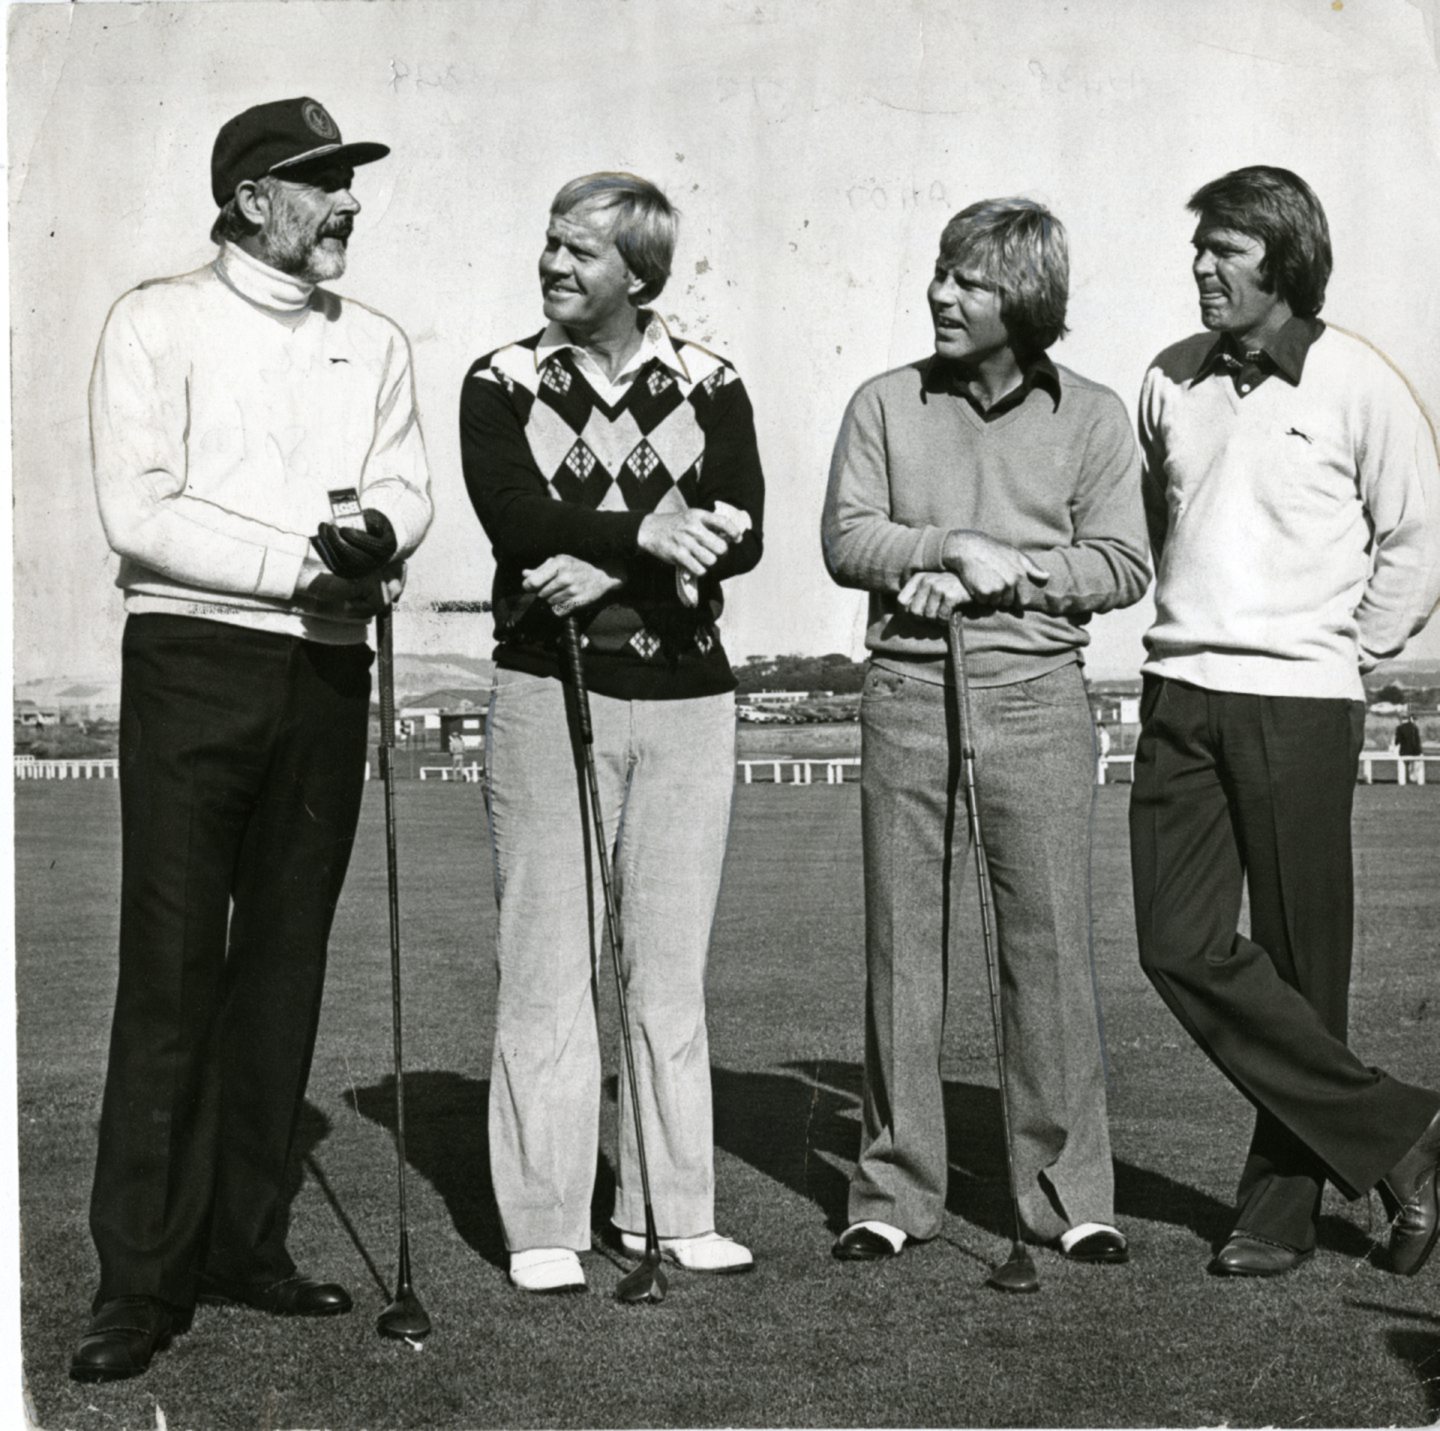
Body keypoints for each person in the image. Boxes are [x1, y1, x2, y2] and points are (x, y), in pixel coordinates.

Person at [72, 97, 433, 1382]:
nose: (345, 203)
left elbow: (405, 485)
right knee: (170, 975)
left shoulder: (374, 339)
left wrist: (378, 538)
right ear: (249, 200)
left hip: (327, 678)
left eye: (347, 181)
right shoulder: (153, 318)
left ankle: (240, 1244)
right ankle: (140, 1279)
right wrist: (300, 568)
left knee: (281, 971)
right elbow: (140, 512)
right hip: (192, 662)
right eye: (319, 182)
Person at [821, 199, 1150, 1267]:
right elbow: (848, 535)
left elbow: (1124, 565)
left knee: (1048, 951)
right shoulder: (883, 400)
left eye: (969, 281)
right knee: (901, 952)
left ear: (1027, 299)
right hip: (908, 697)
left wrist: (1020, 570)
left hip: (1039, 701)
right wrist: (944, 544)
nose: (941, 295)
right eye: (939, 274)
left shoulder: (1094, 416)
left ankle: (1067, 1195)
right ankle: (892, 1192)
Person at [1132, 165, 1440, 1279]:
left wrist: (1350, 649)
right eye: (1200, 245)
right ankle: (1404, 1134)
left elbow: (1417, 537)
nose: (1203, 266)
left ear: (1287, 258)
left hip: (1303, 704)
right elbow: (1169, 530)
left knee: (1308, 971)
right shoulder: (1168, 380)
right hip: (1179, 694)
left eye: (1228, 247)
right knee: (1175, 942)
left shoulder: (1359, 379)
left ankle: (1277, 1215)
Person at [460, 172, 764, 1293]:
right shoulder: (499, 380)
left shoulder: (712, 380)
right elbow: (515, 518)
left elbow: (742, 526)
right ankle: (546, 1221)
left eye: (579, 251)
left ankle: (666, 1212)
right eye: (548, 243)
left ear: (639, 274)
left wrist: (613, 558)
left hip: (690, 695)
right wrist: (649, 534)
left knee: (667, 975)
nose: (552, 265)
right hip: (548, 687)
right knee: (548, 966)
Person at [1393, 710, 1425, 786]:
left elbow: (1397, 741)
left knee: (1402, 762)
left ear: (1401, 719)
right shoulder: (1414, 727)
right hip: (1416, 752)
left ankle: (1403, 780)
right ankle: (1417, 779)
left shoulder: (1399, 728)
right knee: (1417, 762)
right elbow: (1417, 741)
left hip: (1404, 752)